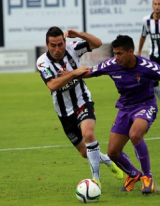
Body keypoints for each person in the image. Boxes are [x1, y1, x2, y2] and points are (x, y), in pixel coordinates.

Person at [83, 35, 160, 195]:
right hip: (124, 108)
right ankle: (134, 174)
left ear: (131, 51)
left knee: (135, 134)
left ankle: (147, 178)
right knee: (112, 152)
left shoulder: (148, 67)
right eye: (114, 53)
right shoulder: (112, 64)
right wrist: (68, 74)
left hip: (145, 105)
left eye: (120, 53)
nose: (117, 57)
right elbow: (89, 72)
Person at [36, 26, 123, 188]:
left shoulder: (73, 48)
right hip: (63, 112)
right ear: (47, 45)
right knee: (85, 153)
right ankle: (108, 162)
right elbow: (52, 85)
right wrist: (74, 73)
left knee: (88, 134)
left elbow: (97, 43)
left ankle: (96, 179)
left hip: (82, 101)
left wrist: (78, 34)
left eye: (60, 44)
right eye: (53, 45)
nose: (57, 49)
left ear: (65, 42)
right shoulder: (42, 62)